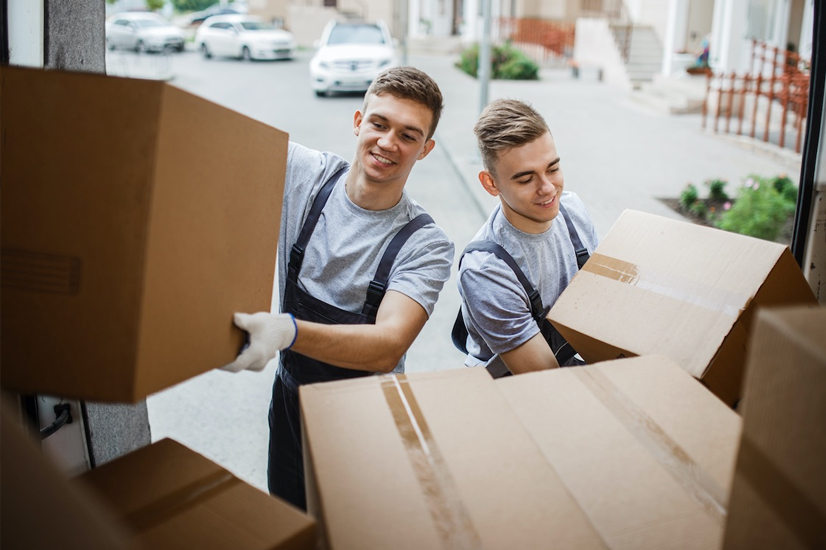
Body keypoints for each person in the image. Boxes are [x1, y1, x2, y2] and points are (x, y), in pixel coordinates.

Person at [222, 67, 454, 511]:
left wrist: (287, 332)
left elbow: (387, 345)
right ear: (357, 122)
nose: (388, 143)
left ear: (425, 150)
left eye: (408, 135)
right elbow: (219, 141)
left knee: (352, 531)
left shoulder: (426, 244)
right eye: (379, 124)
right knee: (290, 518)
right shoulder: (306, 176)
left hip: (365, 421)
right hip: (291, 403)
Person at [454, 99, 599, 378]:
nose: (548, 189)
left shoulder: (573, 211)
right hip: (517, 389)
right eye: (525, 179)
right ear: (490, 183)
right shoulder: (486, 270)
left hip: (568, 370)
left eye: (553, 169)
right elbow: (544, 378)